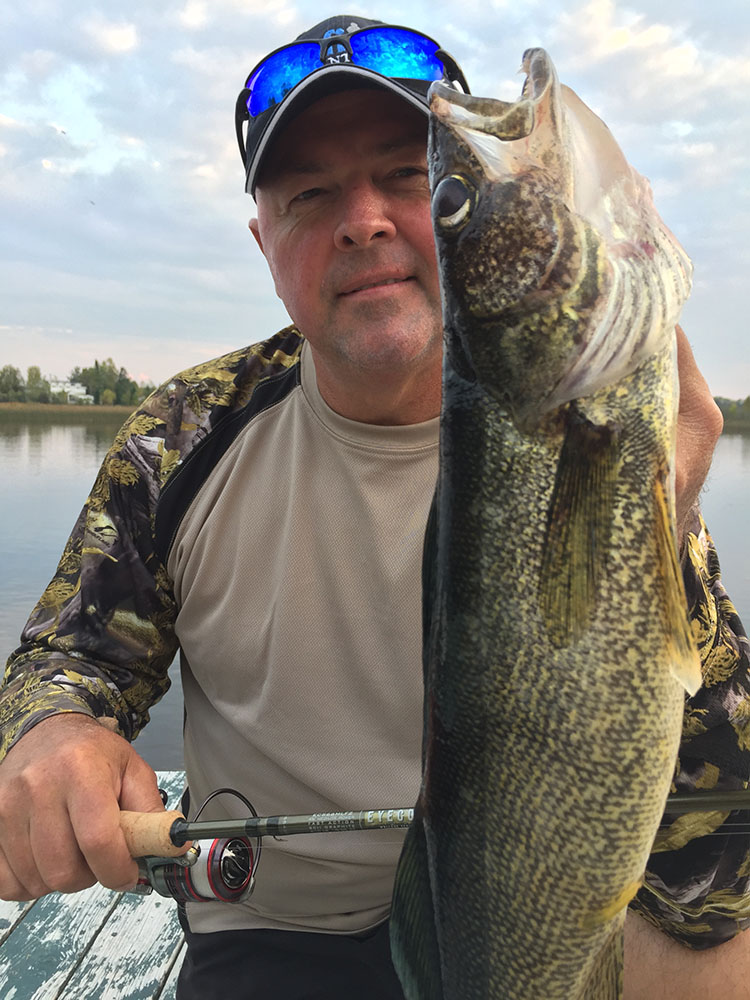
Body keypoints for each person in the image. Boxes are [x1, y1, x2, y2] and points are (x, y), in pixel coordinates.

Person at [0, 13, 748, 999]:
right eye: (311, 194)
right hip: (280, 926)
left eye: (411, 179)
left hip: (536, 905)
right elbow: (72, 655)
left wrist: (656, 533)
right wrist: (56, 731)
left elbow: (715, 867)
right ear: (266, 242)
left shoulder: (597, 445)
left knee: (722, 953)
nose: (366, 219)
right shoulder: (183, 435)